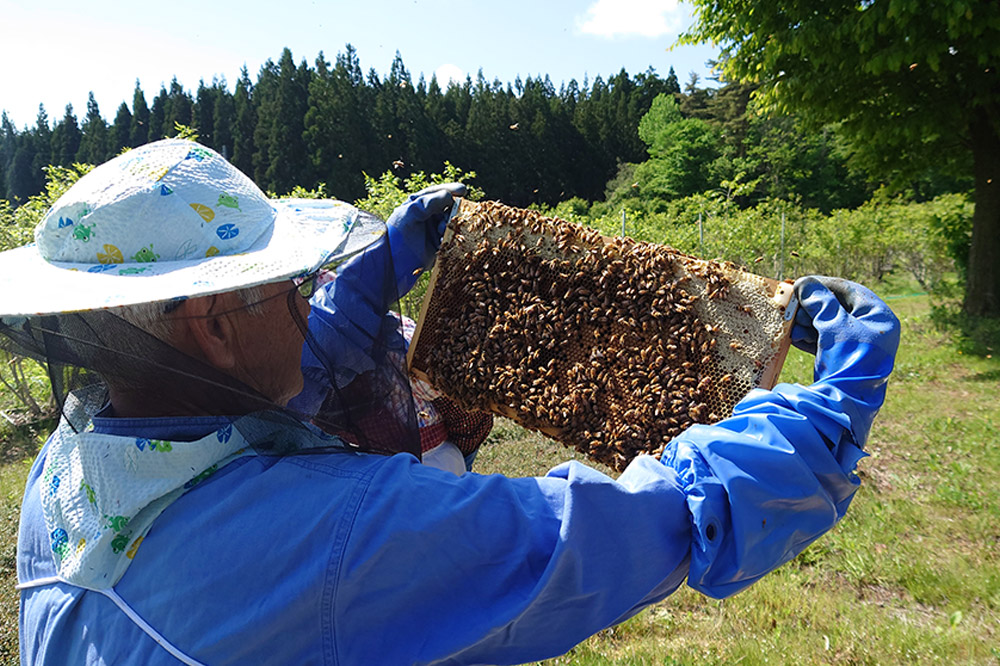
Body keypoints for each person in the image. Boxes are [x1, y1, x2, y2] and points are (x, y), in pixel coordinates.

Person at [8, 139, 900, 665]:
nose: (302, 299)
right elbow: (615, 530)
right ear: (209, 324)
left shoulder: (64, 478)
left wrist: (372, 280)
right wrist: (828, 412)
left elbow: (287, 368)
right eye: (287, 284)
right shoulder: (338, 538)